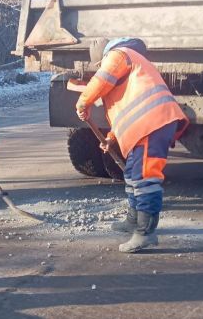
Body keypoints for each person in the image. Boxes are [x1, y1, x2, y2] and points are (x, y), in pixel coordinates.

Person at [76, 37, 188, 252]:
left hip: (153, 123)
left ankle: (145, 233)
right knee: (132, 175)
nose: (101, 68)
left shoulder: (120, 54)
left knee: (145, 178)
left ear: (103, 57)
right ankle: (133, 221)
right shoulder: (132, 65)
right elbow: (126, 112)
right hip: (147, 124)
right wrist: (111, 138)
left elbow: (102, 79)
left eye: (99, 65)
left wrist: (84, 101)